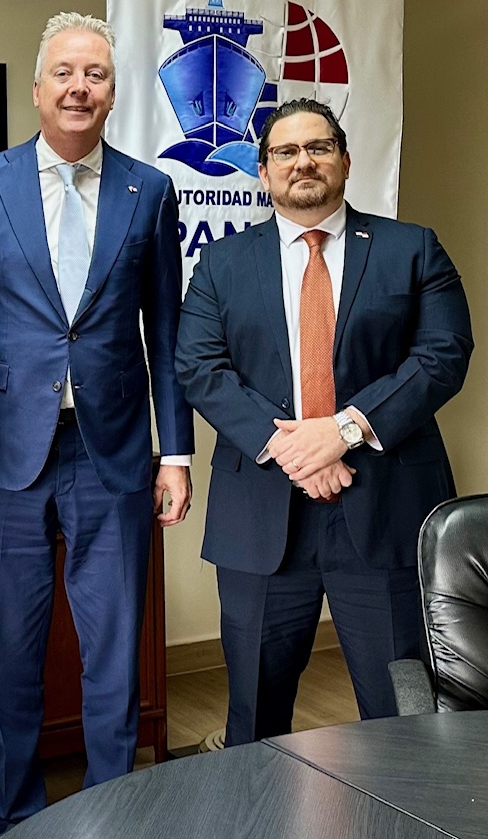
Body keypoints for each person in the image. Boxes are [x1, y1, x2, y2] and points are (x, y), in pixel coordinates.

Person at [0, 13, 193, 837]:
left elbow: (166, 329)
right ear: (38, 87)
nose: (79, 87)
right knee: (9, 652)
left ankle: (112, 810)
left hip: (112, 451)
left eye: (95, 74)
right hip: (7, 449)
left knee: (114, 651)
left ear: (113, 92)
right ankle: (11, 814)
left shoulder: (148, 190)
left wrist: (176, 453)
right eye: (64, 72)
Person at [176, 98, 473, 745]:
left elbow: (444, 355)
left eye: (318, 147)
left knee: (403, 715)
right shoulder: (222, 264)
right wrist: (294, 449)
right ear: (263, 171)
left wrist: (341, 432)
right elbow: (199, 368)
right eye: (285, 151)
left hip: (385, 509)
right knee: (255, 717)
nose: (303, 161)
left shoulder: (412, 249)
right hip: (261, 517)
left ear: (345, 160)